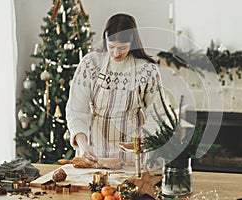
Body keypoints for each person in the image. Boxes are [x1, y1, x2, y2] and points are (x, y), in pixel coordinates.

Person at [66, 13, 169, 167]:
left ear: (132, 43)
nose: (116, 53)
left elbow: (158, 114)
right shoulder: (91, 63)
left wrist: (140, 142)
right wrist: (83, 146)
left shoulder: (147, 70)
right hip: (94, 149)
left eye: (122, 48)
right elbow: (76, 110)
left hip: (131, 151)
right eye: (111, 46)